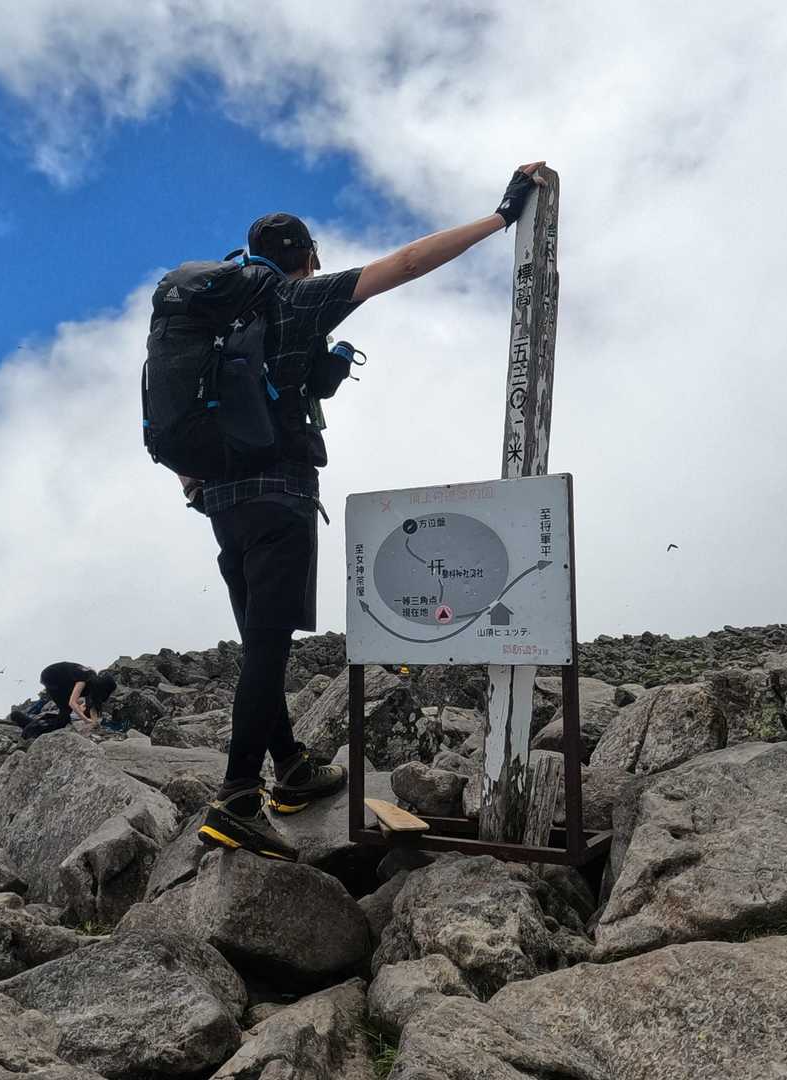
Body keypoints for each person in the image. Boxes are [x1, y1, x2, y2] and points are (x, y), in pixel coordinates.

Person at [195, 162, 549, 860]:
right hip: (280, 499)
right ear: (306, 256)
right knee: (267, 649)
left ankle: (291, 768)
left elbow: (177, 409)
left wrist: (194, 484)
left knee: (259, 644)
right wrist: (501, 216)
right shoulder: (298, 299)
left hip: (219, 501)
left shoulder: (210, 317)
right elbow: (406, 263)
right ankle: (236, 798)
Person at [9, 662, 119, 740]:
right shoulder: (84, 679)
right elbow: (72, 703)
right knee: (65, 715)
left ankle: (30, 723)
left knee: (66, 715)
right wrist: (86, 720)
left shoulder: (92, 682)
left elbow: (93, 706)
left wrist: (94, 723)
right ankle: (32, 730)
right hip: (51, 677)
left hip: (60, 680)